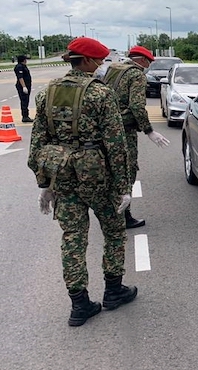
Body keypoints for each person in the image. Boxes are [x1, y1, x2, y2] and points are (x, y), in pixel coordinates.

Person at [27, 37, 137, 327]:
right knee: (114, 232)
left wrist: (43, 183)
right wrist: (124, 186)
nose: (102, 66)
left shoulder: (46, 93)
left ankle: (79, 304)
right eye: (99, 61)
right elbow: (116, 145)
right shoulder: (100, 94)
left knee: (72, 239)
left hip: (62, 178)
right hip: (97, 178)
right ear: (86, 61)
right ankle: (114, 290)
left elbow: (38, 143)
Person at [100, 45, 170, 228]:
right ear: (140, 60)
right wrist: (149, 131)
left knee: (109, 169)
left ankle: (109, 212)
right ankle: (124, 216)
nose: (148, 66)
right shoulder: (137, 75)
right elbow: (137, 106)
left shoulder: (113, 69)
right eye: (147, 62)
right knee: (127, 169)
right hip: (124, 130)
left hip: (106, 126)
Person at [14, 54, 33, 122]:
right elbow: (20, 77)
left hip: (27, 85)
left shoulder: (23, 66)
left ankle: (26, 115)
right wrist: (24, 87)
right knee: (24, 101)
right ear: (23, 60)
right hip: (22, 86)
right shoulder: (19, 67)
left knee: (26, 100)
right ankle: (25, 116)